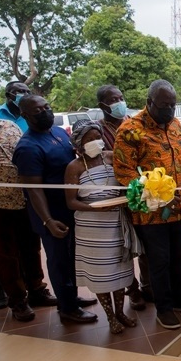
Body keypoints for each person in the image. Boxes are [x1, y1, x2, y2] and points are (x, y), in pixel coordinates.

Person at [113, 80, 181, 330]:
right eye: (165, 105)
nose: (170, 110)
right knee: (159, 259)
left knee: (177, 256)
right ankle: (164, 308)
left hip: (179, 207)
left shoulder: (175, 124)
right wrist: (156, 193)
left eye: (173, 105)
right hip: (151, 211)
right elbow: (124, 171)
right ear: (149, 102)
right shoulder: (130, 129)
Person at [13, 95, 98, 323]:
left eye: (47, 107)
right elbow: (34, 190)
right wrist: (48, 221)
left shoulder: (58, 132)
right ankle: (68, 310)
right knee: (59, 261)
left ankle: (70, 298)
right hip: (51, 215)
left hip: (70, 209)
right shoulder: (28, 147)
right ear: (25, 116)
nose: (45, 112)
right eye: (38, 110)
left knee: (71, 258)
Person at [64, 120, 136, 334]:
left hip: (116, 224)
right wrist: (96, 208)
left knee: (120, 270)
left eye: (98, 137)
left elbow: (125, 184)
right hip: (91, 229)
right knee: (102, 274)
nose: (96, 142)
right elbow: (71, 202)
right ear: (78, 144)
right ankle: (110, 316)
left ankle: (121, 312)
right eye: (89, 139)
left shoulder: (112, 158)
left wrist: (125, 198)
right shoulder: (74, 167)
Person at [0, 119, 57, 321]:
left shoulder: (8, 125)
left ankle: (37, 290)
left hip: (24, 201)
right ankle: (17, 301)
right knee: (6, 256)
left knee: (31, 248)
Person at [95, 84, 148, 311]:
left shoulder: (134, 122)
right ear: (102, 105)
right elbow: (99, 158)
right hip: (116, 195)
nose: (119, 101)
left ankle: (147, 285)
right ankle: (132, 289)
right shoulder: (97, 130)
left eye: (121, 97)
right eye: (113, 99)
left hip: (143, 191)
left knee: (146, 243)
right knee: (124, 245)